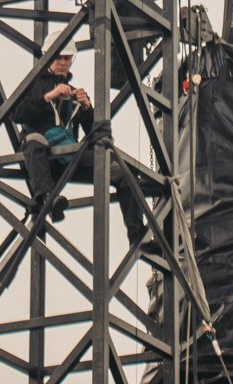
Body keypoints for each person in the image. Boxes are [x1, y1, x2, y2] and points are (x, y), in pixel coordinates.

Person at [12, 32, 148, 245]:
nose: (64, 62)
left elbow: (97, 136)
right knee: (35, 140)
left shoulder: (73, 92)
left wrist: (87, 107)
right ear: (48, 56)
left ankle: (137, 234)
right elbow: (17, 114)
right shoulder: (34, 84)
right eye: (59, 57)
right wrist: (48, 97)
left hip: (68, 156)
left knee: (122, 170)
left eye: (68, 58)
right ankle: (47, 199)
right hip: (40, 157)